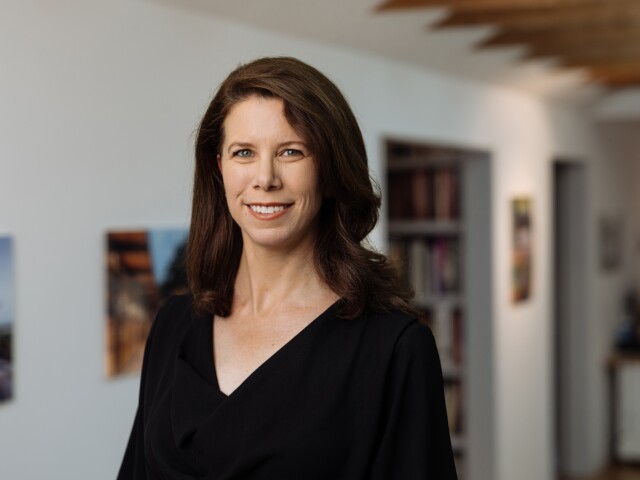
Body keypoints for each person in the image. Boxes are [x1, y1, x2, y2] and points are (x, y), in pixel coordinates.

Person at [117, 56, 458, 480]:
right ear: (218, 166)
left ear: (330, 171)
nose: (265, 178)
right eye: (244, 152)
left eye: (291, 152)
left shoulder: (394, 348)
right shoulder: (172, 325)